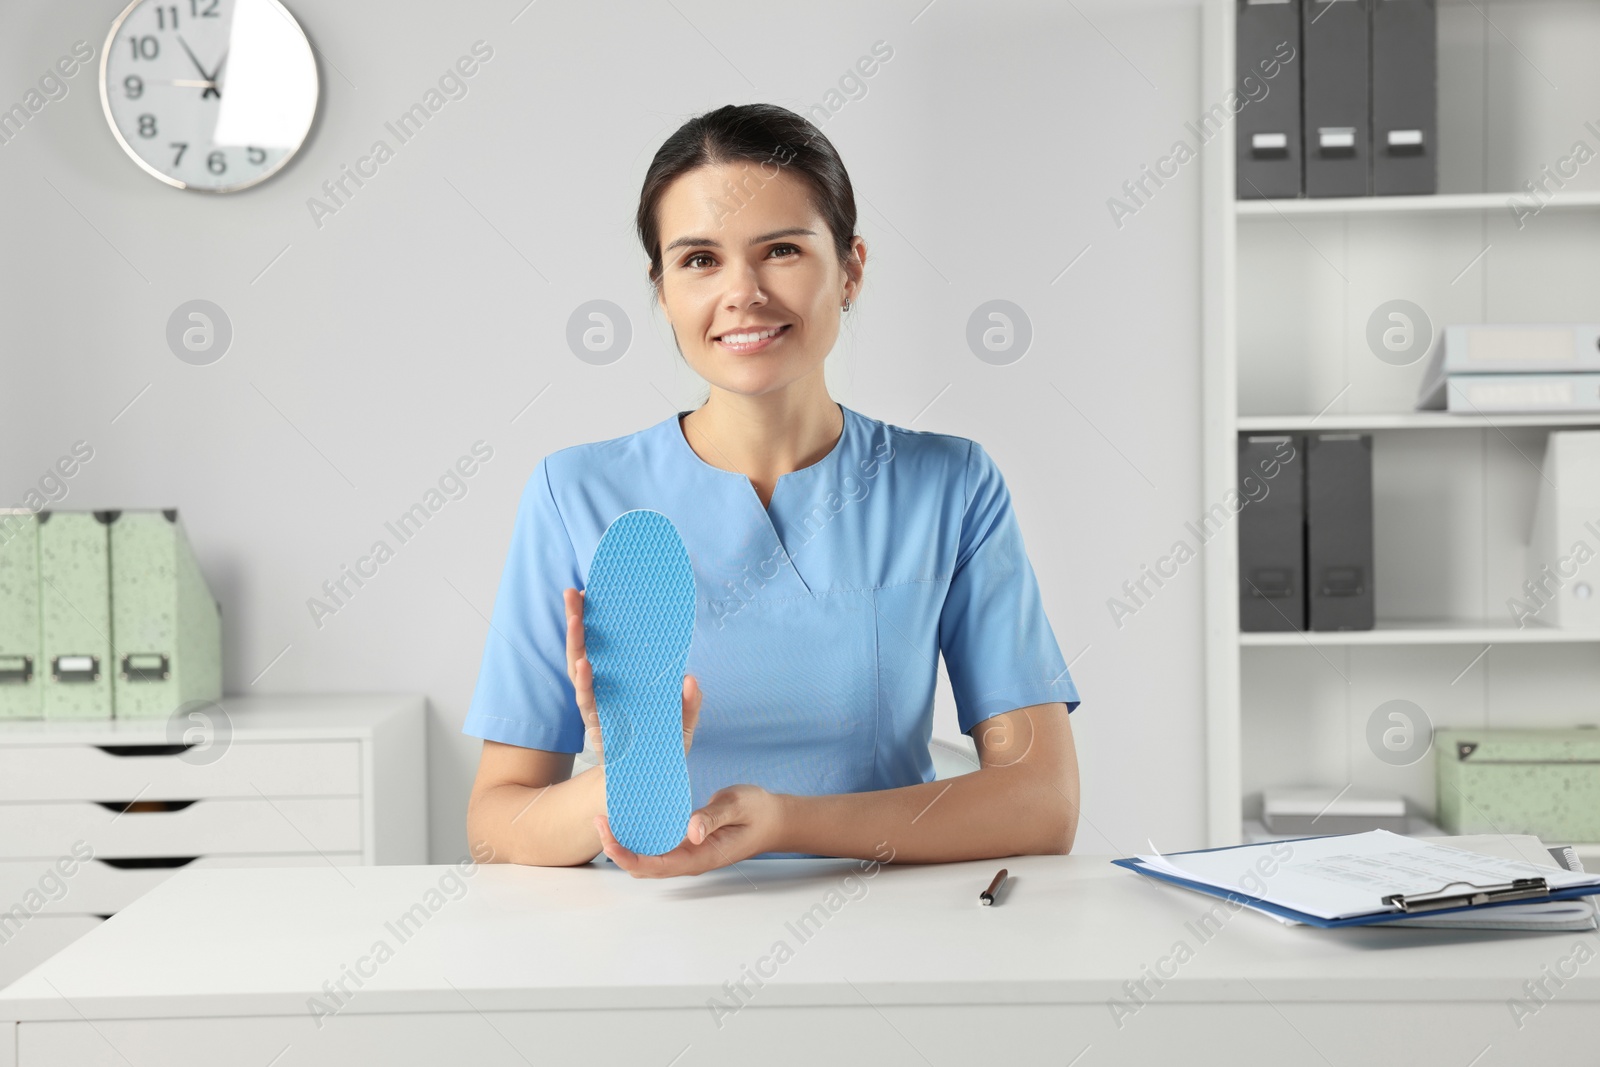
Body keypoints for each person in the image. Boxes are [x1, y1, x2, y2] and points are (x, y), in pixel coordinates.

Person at [463, 103, 1081, 877]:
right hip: (648, 924)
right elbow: (496, 822)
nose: (742, 293)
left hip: (886, 918)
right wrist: (619, 783)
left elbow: (1040, 799)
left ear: (851, 267)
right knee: (629, 786)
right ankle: (639, 768)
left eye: (781, 250)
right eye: (698, 261)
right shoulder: (576, 493)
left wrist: (787, 821)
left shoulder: (949, 486)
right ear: (661, 290)